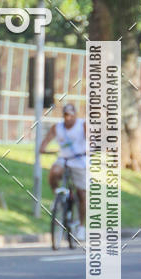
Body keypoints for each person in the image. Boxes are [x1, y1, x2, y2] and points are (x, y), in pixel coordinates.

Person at [40, 102, 87, 240]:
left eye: (71, 115)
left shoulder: (82, 125)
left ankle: (81, 227)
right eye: (66, 115)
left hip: (80, 160)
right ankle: (58, 197)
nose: (68, 118)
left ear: (75, 115)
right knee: (54, 173)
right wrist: (43, 149)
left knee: (81, 193)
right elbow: (45, 142)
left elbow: (92, 139)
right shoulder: (58, 128)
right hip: (64, 159)